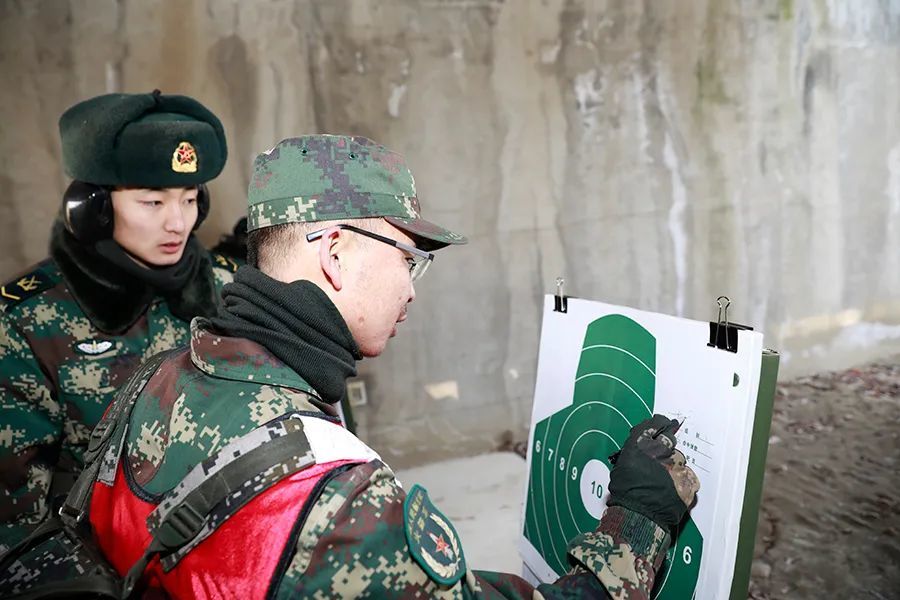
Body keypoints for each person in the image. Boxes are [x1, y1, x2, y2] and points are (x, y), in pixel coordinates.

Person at [87, 135, 699, 599]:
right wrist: (639, 520)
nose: (411, 289)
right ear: (333, 252)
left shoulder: (154, 379)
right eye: (408, 257)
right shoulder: (332, 494)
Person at [0, 90, 239, 552]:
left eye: (190, 200)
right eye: (153, 203)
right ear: (93, 210)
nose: (178, 223)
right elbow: (16, 529)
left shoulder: (229, 290)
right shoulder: (28, 323)